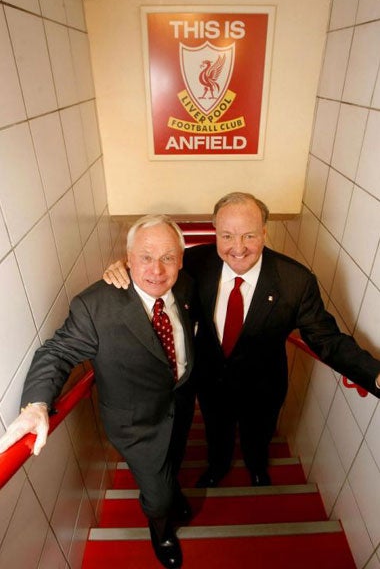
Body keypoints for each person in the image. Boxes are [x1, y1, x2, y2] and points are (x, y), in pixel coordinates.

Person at [103, 192, 380, 490]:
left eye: (249, 235)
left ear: (264, 232)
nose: (238, 248)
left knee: (258, 435)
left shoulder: (295, 281)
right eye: (227, 236)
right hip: (211, 380)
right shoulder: (196, 263)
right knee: (216, 432)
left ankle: (257, 467)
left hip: (263, 384)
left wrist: (373, 373)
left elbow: (327, 339)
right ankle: (218, 467)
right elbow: (156, 272)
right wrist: (122, 266)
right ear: (215, 233)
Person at [0, 215, 196, 569]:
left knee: (174, 460)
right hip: (135, 425)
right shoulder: (95, 306)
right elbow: (57, 352)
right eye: (145, 257)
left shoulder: (186, 286)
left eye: (168, 257)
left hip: (180, 405)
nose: (156, 270)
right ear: (128, 258)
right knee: (156, 492)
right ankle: (162, 528)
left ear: (181, 259)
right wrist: (36, 403)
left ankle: (171, 492)